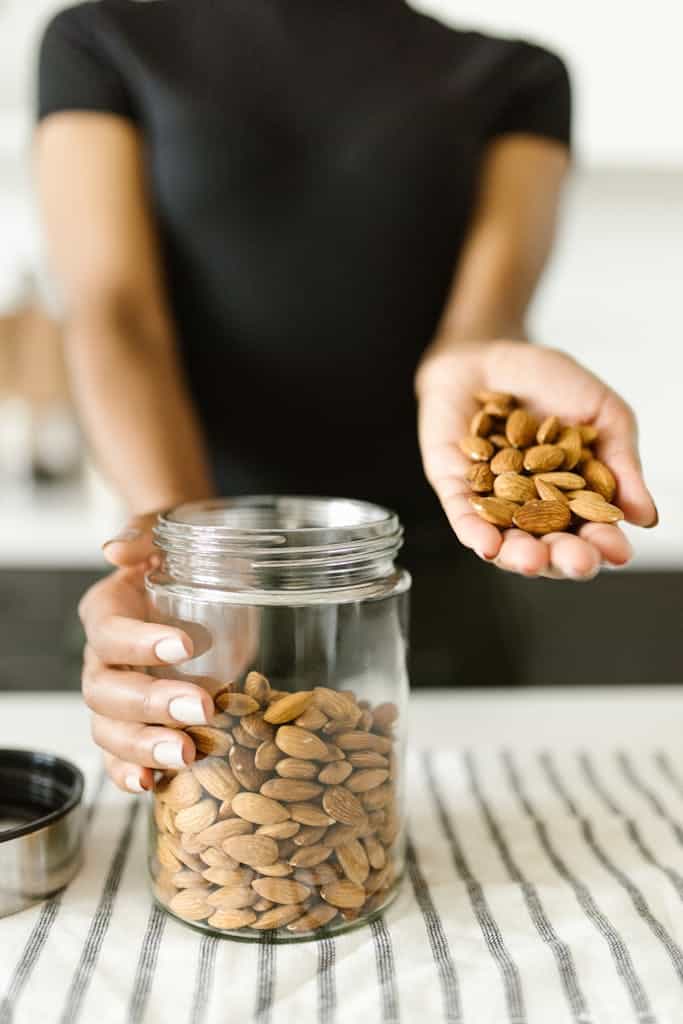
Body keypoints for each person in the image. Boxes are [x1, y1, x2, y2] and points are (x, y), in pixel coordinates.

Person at [35, 0, 657, 795]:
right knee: (223, 828)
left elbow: (481, 323)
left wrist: (470, 367)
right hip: (200, 571)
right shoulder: (100, 41)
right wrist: (193, 565)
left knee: (424, 823)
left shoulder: (519, 76)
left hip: (424, 572)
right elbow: (113, 311)